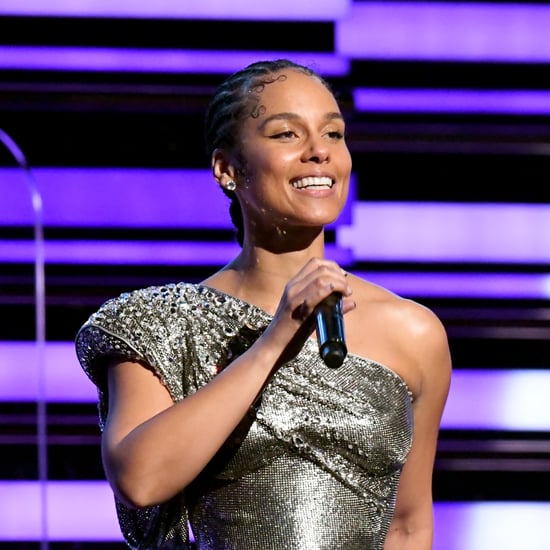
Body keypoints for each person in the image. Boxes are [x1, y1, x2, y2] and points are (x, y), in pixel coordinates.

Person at [75, 58, 452, 550]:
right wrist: (273, 341)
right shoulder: (157, 324)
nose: (319, 153)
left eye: (333, 134)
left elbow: (407, 525)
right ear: (227, 169)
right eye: (285, 135)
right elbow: (141, 480)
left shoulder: (413, 332)